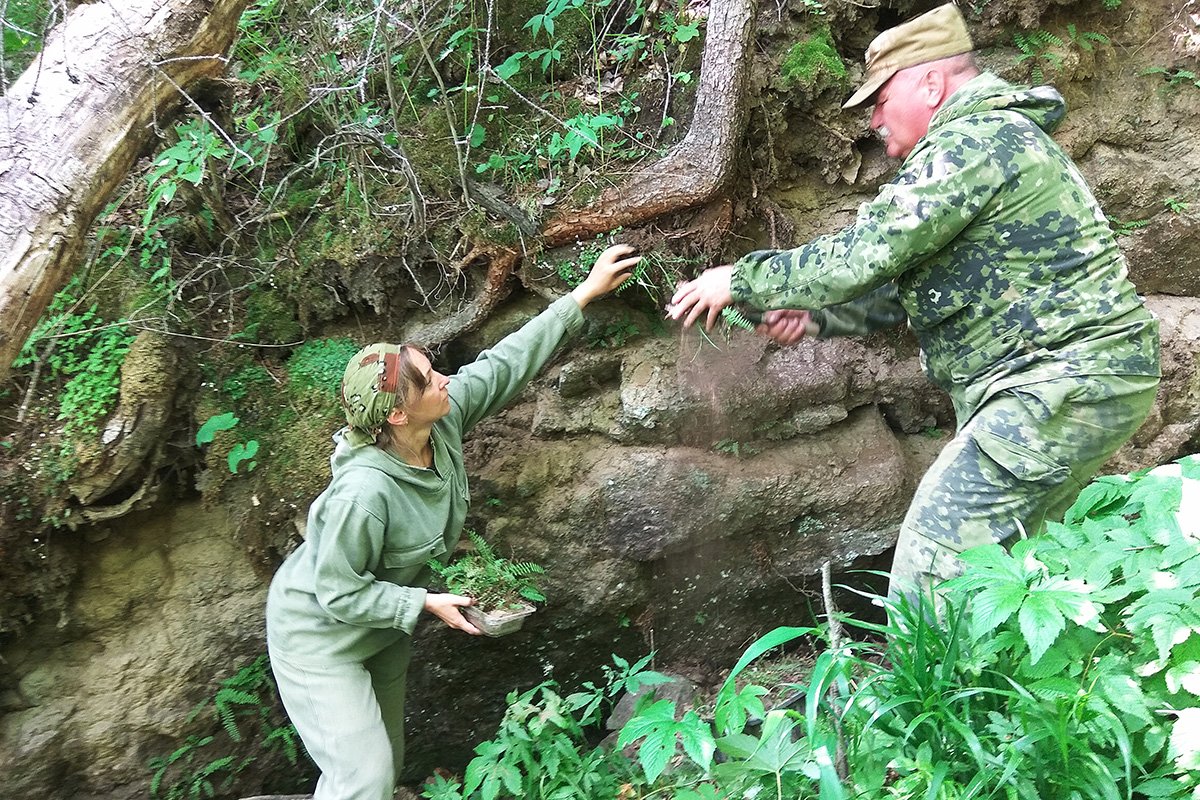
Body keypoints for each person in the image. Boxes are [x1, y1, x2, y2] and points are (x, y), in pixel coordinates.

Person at [666, 4, 1160, 602]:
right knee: (1002, 576)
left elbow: (867, 252)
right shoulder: (991, 141)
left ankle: (921, 667)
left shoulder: (972, 143)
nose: (873, 119)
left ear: (930, 84)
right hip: (1075, 378)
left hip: (1057, 380)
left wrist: (742, 280)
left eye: (880, 99)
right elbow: (908, 291)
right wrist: (816, 316)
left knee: (933, 566)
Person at [265, 244, 641, 800]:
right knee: (363, 776)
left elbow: (502, 365)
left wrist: (582, 295)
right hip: (318, 635)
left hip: (380, 628)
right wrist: (423, 602)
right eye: (428, 378)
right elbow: (338, 591)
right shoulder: (362, 494)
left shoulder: (438, 422)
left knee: (386, 765)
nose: (444, 379)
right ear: (398, 413)